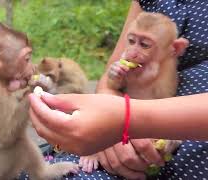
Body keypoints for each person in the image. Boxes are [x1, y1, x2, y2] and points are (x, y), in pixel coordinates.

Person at [23, 0, 208, 179]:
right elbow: (110, 81)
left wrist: (126, 119)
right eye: (131, 41)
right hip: (119, 124)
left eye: (144, 45)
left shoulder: (166, 69)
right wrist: (106, 126)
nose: (132, 52)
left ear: (175, 49)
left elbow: (160, 91)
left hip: (180, 132)